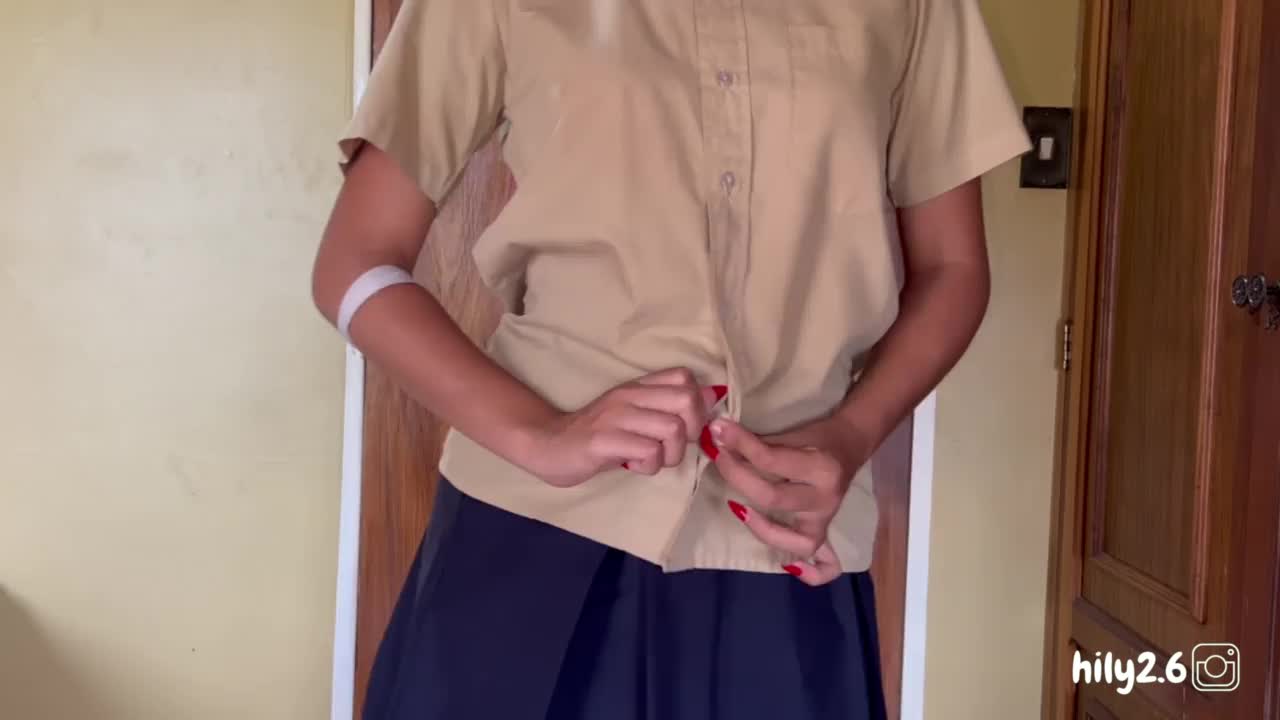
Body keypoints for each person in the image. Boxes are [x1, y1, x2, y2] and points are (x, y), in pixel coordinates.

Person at [312, 0, 1030, 717]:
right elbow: (355, 262)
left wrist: (852, 434)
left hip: (786, 545)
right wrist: (537, 434)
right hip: (532, 536)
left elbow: (953, 269)